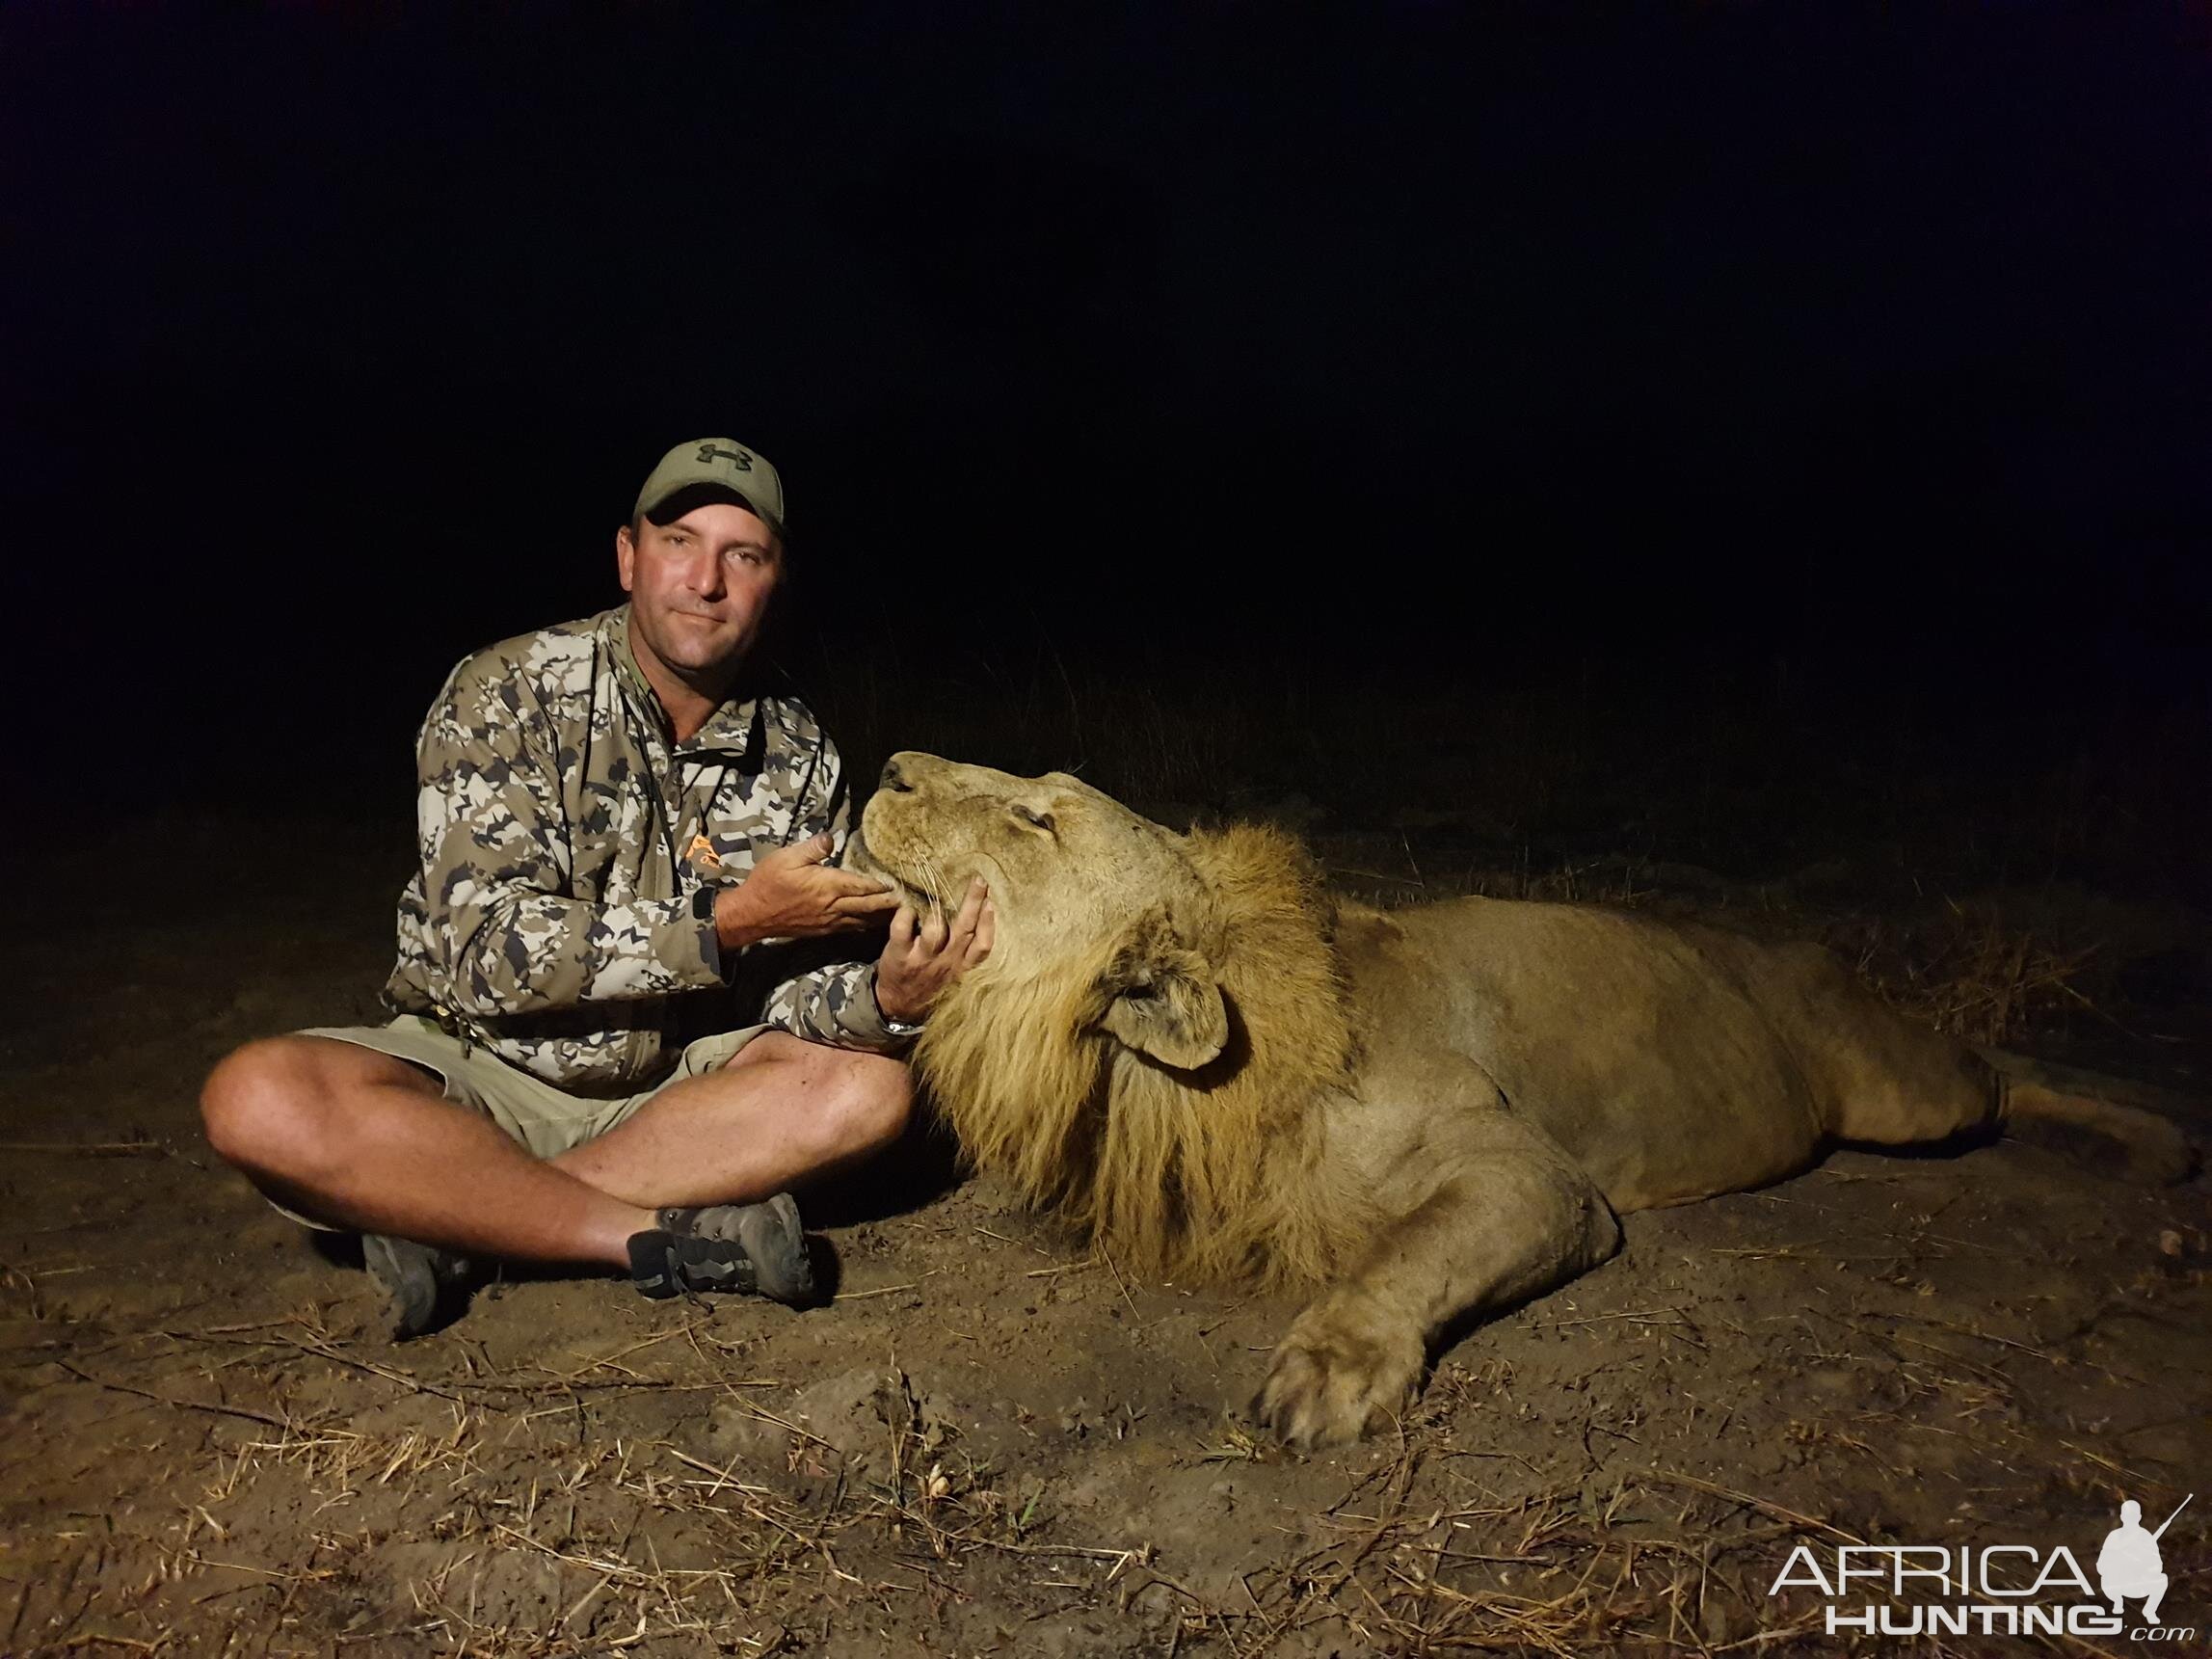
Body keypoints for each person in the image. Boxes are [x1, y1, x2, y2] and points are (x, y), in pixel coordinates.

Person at [200, 438, 992, 1335]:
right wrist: (724, 921)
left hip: (672, 1094)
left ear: (775, 582)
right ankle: (638, 1234)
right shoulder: (505, 690)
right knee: (256, 1095)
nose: (706, 581)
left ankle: (462, 1226)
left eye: (744, 555)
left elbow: (789, 993)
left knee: (872, 1091)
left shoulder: (801, 751)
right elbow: (484, 959)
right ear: (627, 556)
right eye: (679, 542)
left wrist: (886, 1000)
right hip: (482, 1070)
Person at [2097, 1499, 2171, 1623]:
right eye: (2127, 1515)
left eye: (2133, 1516)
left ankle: (2149, 1611)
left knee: (2162, 1579)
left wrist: (2143, 1564)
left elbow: (2157, 1565)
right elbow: (2101, 1565)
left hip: (2138, 1583)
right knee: (2105, 1579)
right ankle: (2117, 1602)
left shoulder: (2146, 1536)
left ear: (2139, 1517)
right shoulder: (2114, 1536)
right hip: (2118, 1583)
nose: (2130, 1518)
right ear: (2122, 1516)